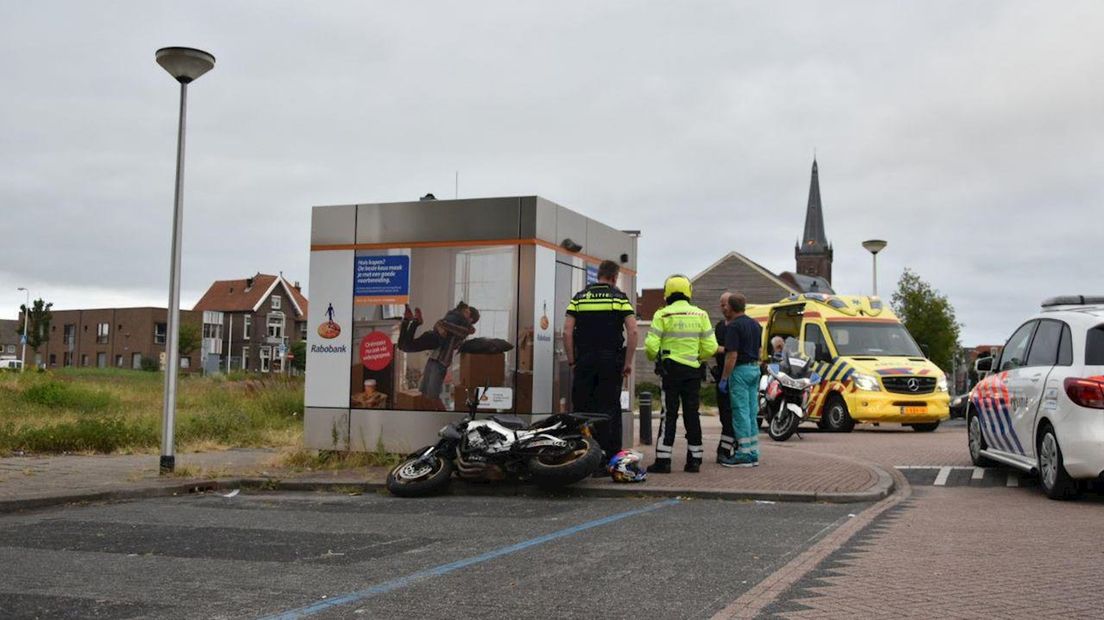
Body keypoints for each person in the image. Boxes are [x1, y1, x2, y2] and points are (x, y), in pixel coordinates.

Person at [564, 260, 638, 467]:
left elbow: (567, 332)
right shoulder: (619, 298)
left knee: (581, 407)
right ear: (614, 277)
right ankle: (608, 458)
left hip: (584, 360)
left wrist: (572, 362)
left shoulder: (579, 298)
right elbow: (632, 331)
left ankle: (581, 455)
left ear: (599, 275)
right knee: (609, 408)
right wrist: (628, 361)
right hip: (610, 360)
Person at [644, 275, 718, 473]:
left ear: (667, 292)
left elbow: (651, 347)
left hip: (670, 372)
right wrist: (696, 357)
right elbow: (711, 347)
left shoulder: (663, 314)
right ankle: (694, 460)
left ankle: (663, 460)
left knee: (669, 414)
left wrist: (657, 357)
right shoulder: (701, 315)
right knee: (692, 414)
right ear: (688, 291)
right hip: (693, 371)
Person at [398, 302, 480, 400]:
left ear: (470, 319)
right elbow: (440, 323)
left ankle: (410, 321)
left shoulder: (464, 328)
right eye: (465, 311)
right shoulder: (457, 319)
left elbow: (443, 324)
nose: (465, 314)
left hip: (441, 361)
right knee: (424, 391)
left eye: (467, 313)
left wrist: (440, 325)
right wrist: (440, 326)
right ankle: (412, 321)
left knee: (432, 395)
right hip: (433, 356)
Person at [718, 293, 763, 467]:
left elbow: (731, 355)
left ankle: (743, 454)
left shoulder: (734, 327)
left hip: (740, 371)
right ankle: (753, 451)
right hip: (754, 369)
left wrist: (724, 378)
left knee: (740, 412)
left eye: (725, 306)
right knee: (752, 412)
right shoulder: (755, 325)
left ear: (730, 307)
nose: (724, 309)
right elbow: (759, 351)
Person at [712, 292, 736, 462]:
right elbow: (712, 347)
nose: (723, 307)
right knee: (723, 414)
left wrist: (726, 349)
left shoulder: (738, 325)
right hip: (720, 374)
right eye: (721, 304)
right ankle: (727, 445)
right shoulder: (720, 326)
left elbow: (733, 352)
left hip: (734, 376)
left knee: (731, 414)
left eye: (725, 304)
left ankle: (725, 448)